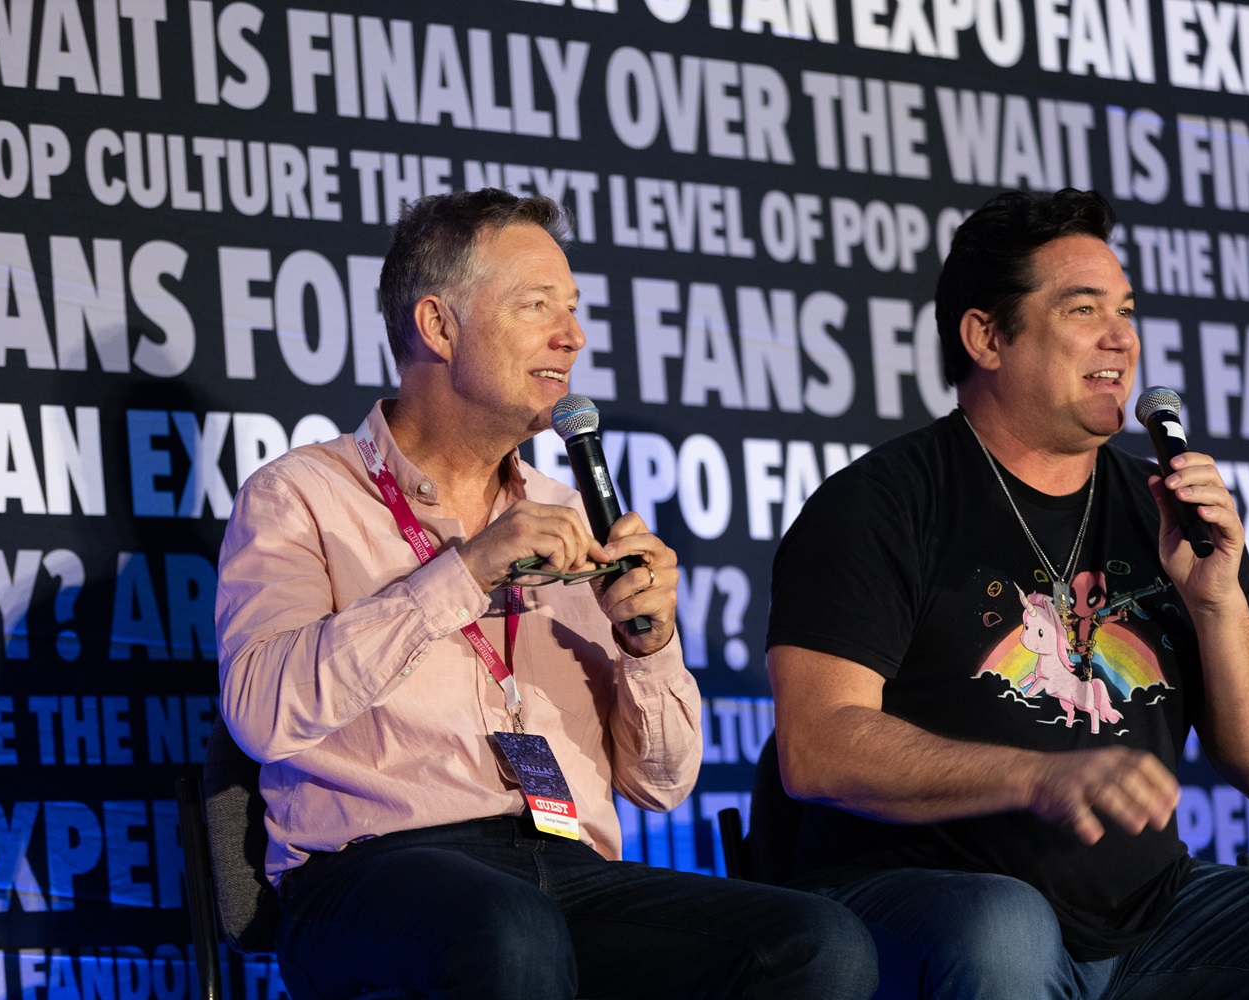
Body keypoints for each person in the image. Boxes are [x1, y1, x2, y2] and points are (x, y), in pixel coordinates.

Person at [763, 188, 1249, 998]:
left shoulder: (1168, 513)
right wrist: (1037, 776)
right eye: (1084, 310)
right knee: (1005, 928)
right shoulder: (881, 503)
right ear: (986, 337)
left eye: (1126, 311)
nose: (1122, 338)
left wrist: (1215, 599)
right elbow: (817, 747)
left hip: (1148, 920)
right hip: (927, 901)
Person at [216, 189, 878, 1000]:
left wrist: (649, 647)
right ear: (438, 326)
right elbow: (258, 710)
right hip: (374, 876)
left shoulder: (567, 514)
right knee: (508, 933)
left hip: (566, 865)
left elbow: (662, 784)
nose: (572, 336)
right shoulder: (301, 494)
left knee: (819, 945)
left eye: (572, 309)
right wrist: (461, 574)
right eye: (537, 307)